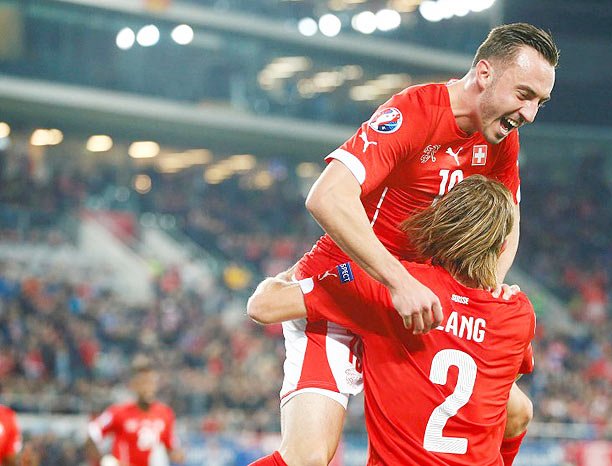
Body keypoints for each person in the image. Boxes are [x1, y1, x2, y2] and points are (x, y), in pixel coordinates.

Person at [273, 22, 558, 466]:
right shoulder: (415, 111)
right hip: (353, 288)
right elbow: (326, 196)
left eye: (540, 101)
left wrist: (481, 292)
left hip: (420, 304)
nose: (531, 113)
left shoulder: (501, 138)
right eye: (524, 94)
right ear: (484, 73)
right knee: (307, 457)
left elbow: (508, 220)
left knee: (517, 413)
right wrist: (399, 281)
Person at [248, 175, 536, 465]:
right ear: (500, 249)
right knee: (520, 409)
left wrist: (293, 274)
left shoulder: (395, 288)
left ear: (436, 223)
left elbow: (263, 307)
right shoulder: (518, 313)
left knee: (303, 459)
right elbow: (503, 379)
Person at [85, 355, 185, 466]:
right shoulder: (117, 412)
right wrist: (105, 460)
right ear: (134, 385)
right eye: (143, 383)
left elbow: (170, 447)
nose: (147, 388)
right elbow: (91, 436)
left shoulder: (165, 413)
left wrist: (178, 455)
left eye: (150, 383)